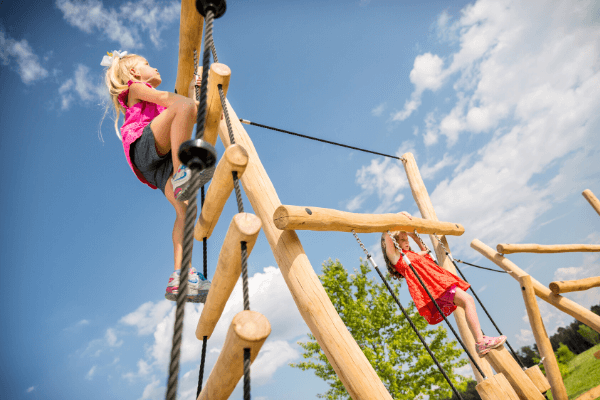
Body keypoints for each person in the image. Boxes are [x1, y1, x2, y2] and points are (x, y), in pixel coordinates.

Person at [101, 50, 210, 303]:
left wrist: (195, 89)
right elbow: (176, 102)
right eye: (148, 64)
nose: (155, 68)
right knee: (183, 105)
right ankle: (184, 172)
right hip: (144, 145)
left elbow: (185, 116)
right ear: (134, 73)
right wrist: (189, 101)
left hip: (156, 164)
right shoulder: (135, 88)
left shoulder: (162, 107)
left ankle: (182, 275)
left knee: (183, 211)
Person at [381, 212, 506, 356]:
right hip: (434, 289)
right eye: (402, 239)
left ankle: (481, 340)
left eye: (406, 238)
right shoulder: (398, 258)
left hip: (441, 284)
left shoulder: (414, 255)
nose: (406, 241)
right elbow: (386, 234)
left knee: (467, 301)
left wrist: (414, 235)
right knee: (468, 300)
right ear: (396, 243)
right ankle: (480, 341)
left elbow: (426, 251)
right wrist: (397, 216)